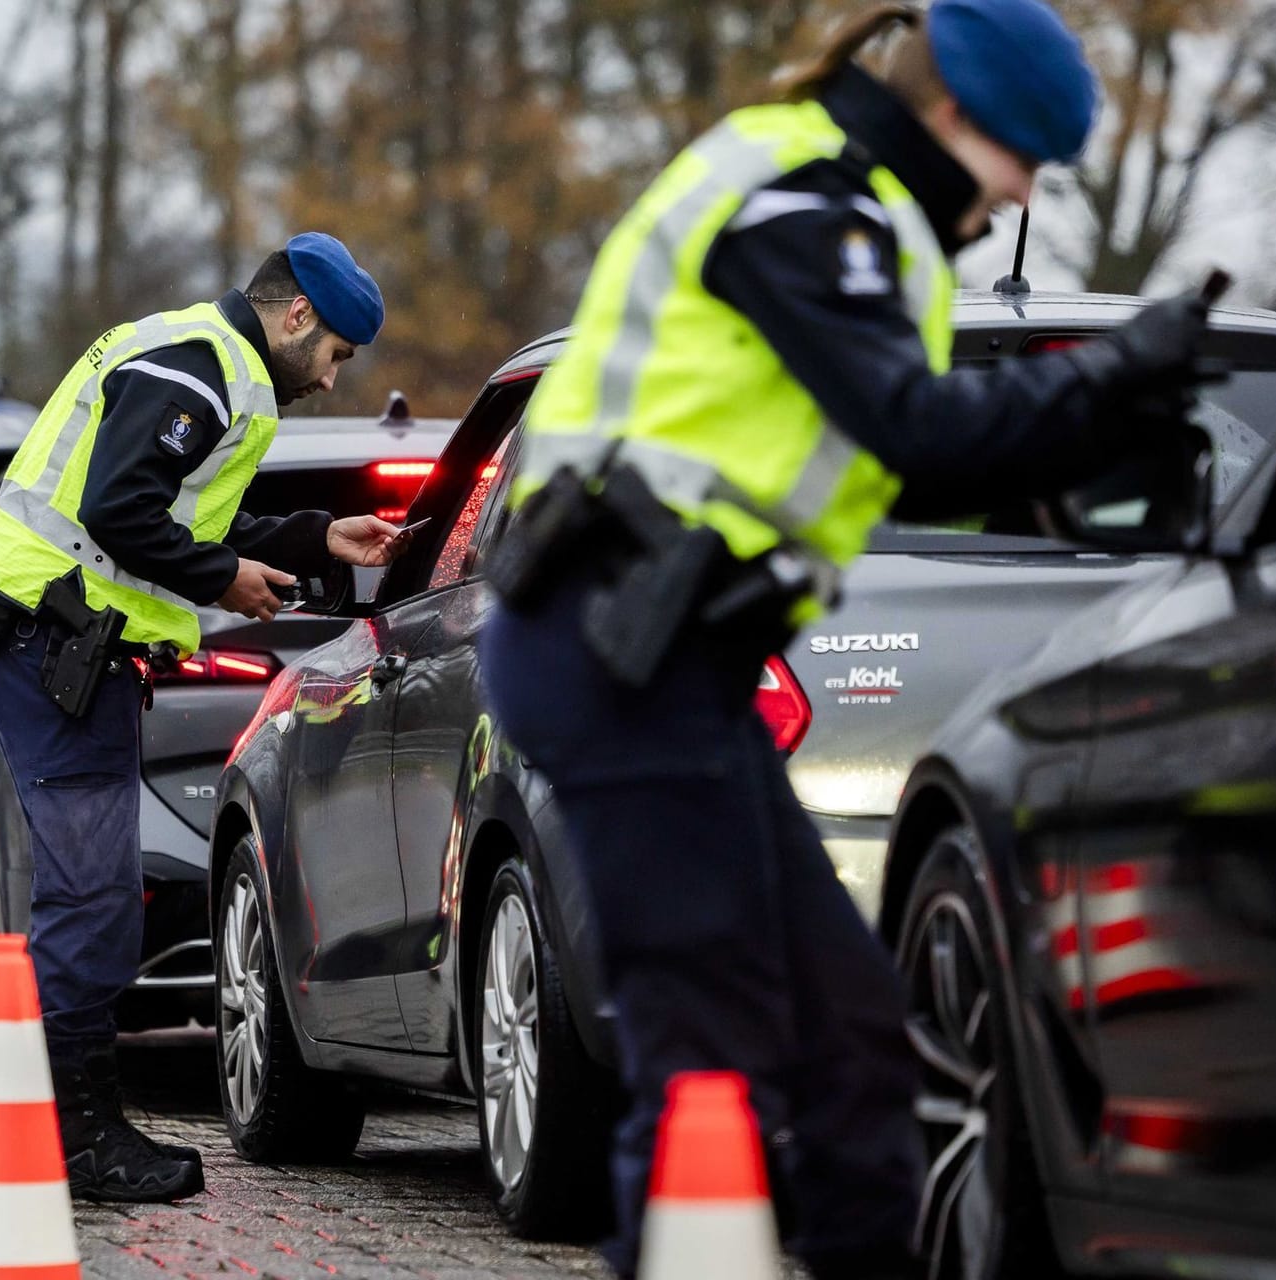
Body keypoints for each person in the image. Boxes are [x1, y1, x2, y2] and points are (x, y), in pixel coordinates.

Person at [478, 3, 1220, 1277]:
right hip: (614, 650)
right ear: (955, 120)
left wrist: (1111, 426)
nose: (1013, 201)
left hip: (678, 666)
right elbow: (913, 424)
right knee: (705, 1051)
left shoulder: (867, 224)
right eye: (1020, 164)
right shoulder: (801, 197)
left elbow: (937, 437)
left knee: (855, 1042)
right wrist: (1105, 377)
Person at [0, 233, 412, 1204]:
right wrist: (222, 578)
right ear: (297, 317)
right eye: (335, 354)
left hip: (66, 647)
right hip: (58, 645)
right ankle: (76, 1138)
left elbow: (185, 518)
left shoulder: (199, 359)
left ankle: (50, 1125)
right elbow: (121, 507)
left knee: (90, 898)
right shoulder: (201, 368)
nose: (332, 380)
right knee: (89, 900)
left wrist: (310, 537)